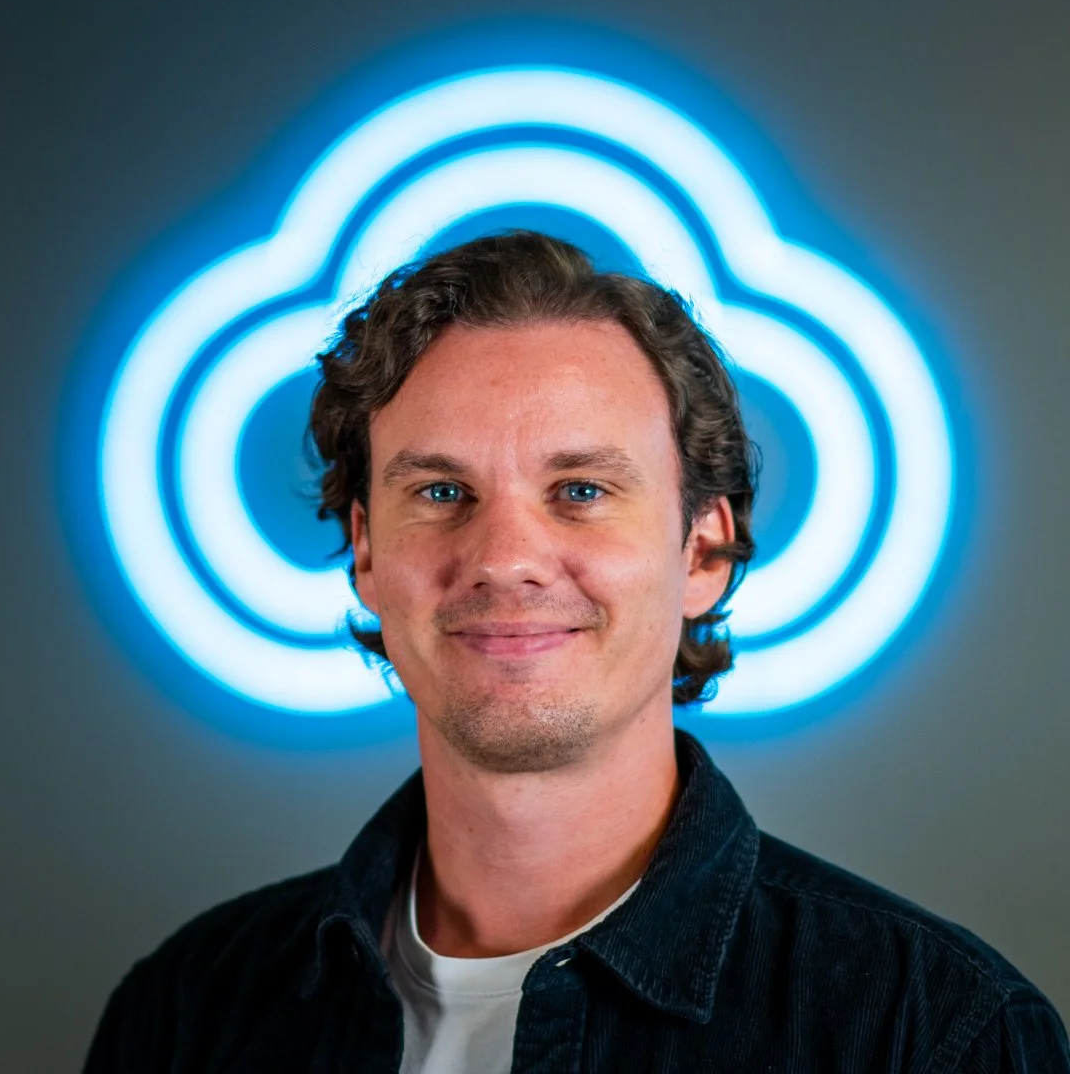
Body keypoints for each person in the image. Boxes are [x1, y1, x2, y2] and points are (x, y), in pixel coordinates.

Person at [84, 231, 1069, 1072]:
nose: (506, 558)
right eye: (441, 492)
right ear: (367, 554)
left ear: (705, 550)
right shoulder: (183, 1017)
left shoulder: (935, 1035)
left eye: (582, 490)